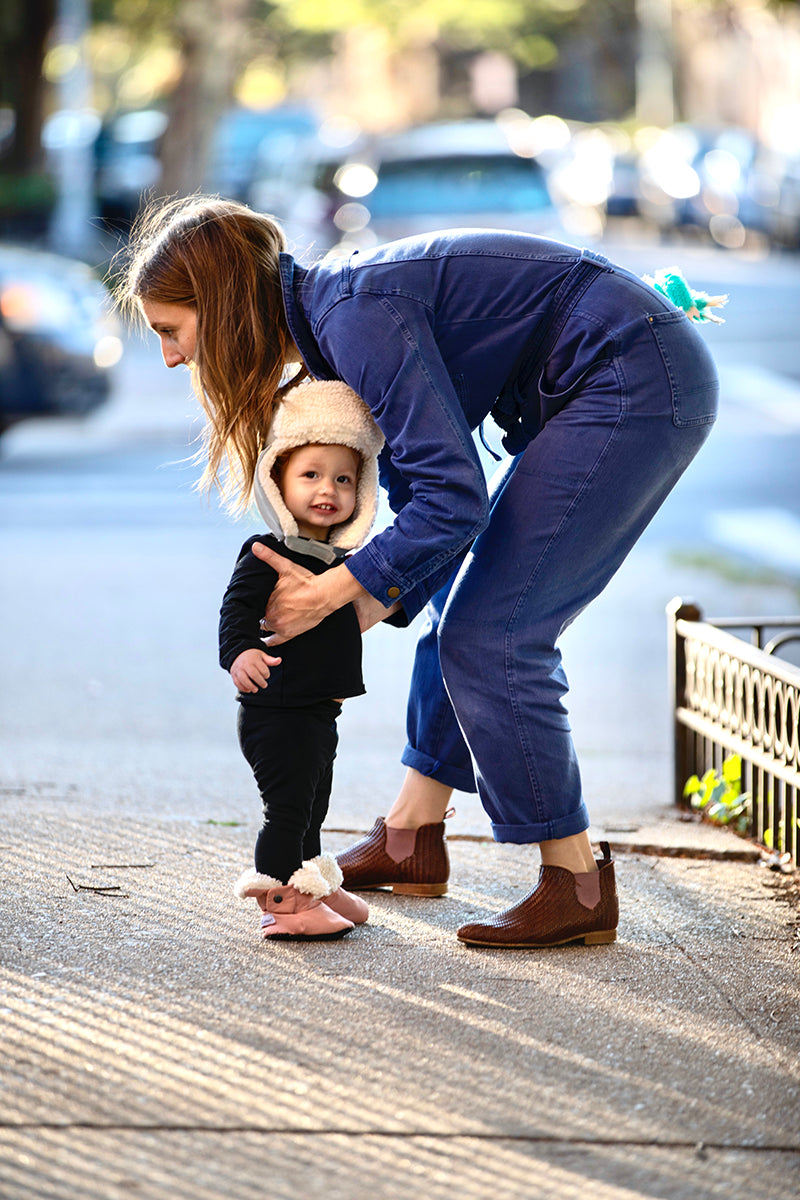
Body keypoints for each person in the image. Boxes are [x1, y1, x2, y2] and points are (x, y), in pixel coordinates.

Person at [123, 196, 722, 950]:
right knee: (461, 615)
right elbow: (422, 492)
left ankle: (575, 882)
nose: (173, 357)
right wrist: (356, 605)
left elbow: (452, 497)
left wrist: (339, 590)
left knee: (494, 633)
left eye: (171, 331)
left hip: (630, 374)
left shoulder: (353, 317)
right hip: (613, 373)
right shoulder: (332, 328)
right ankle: (411, 835)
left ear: (221, 305)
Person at [218, 377, 384, 940]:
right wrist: (239, 651)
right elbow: (236, 608)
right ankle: (282, 901)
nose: (327, 489)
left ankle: (312, 880)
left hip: (316, 711)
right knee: (287, 810)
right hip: (278, 710)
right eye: (310, 474)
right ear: (278, 480)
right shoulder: (269, 551)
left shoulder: (343, 561)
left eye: (343, 478)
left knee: (313, 804)